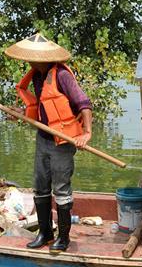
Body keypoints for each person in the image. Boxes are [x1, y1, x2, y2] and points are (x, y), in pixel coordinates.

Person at [6, 33, 93, 252]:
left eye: (31, 58)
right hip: (43, 138)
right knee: (40, 186)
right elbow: (43, 108)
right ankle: (44, 233)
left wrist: (86, 133)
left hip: (63, 141)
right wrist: (20, 113)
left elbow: (84, 104)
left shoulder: (62, 75)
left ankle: (63, 238)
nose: (28, 61)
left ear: (43, 58)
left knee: (61, 189)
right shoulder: (37, 75)